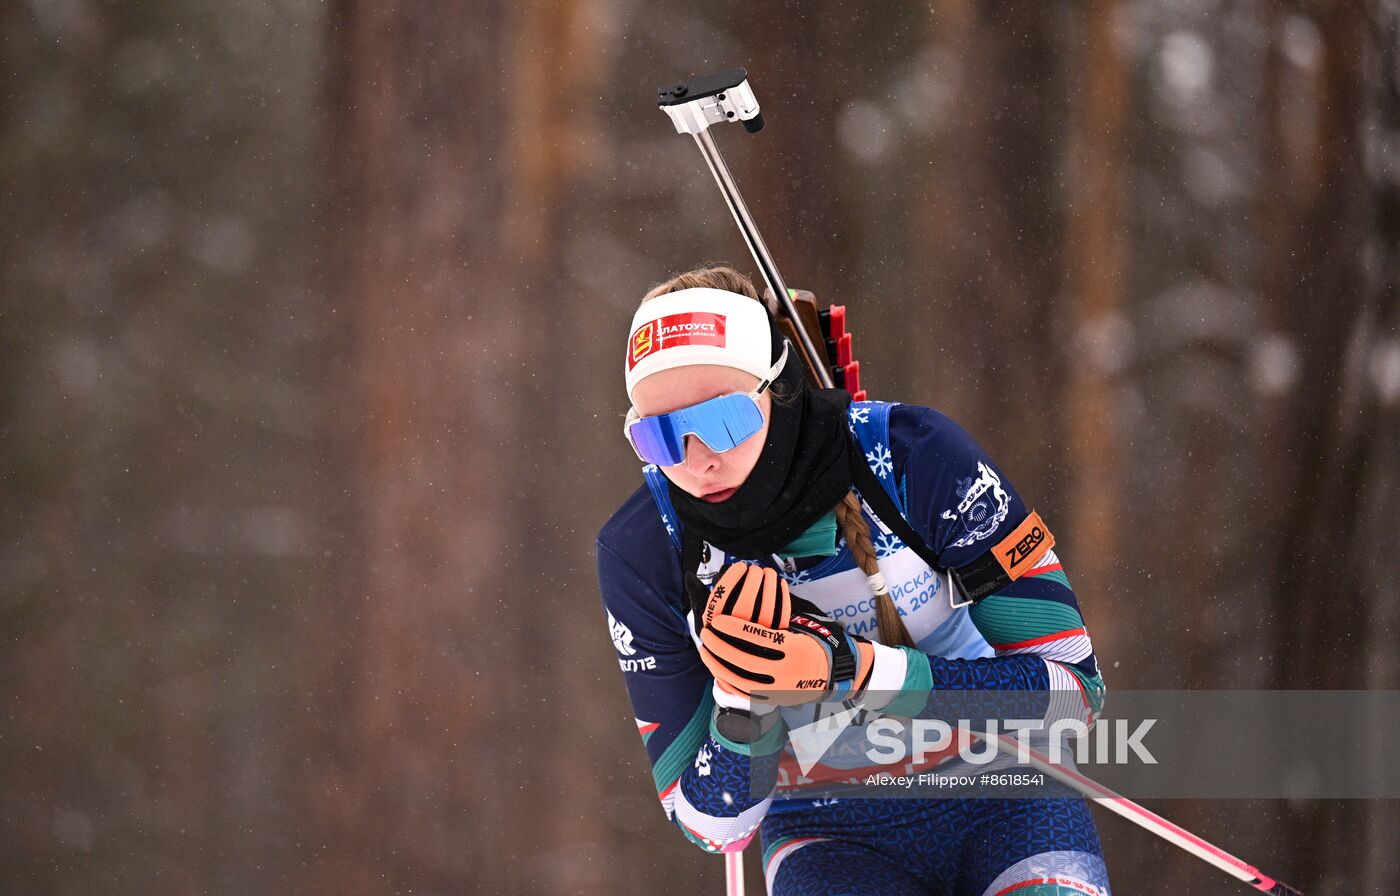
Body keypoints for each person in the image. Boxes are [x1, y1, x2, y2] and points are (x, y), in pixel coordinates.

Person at [596, 265, 1111, 896]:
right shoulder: (646, 548)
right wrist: (744, 702)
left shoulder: (911, 456)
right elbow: (711, 826)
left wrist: (857, 671)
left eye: (725, 419)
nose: (699, 458)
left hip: (1005, 794)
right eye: (658, 435)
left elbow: (1074, 697)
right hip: (829, 835)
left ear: (776, 389)